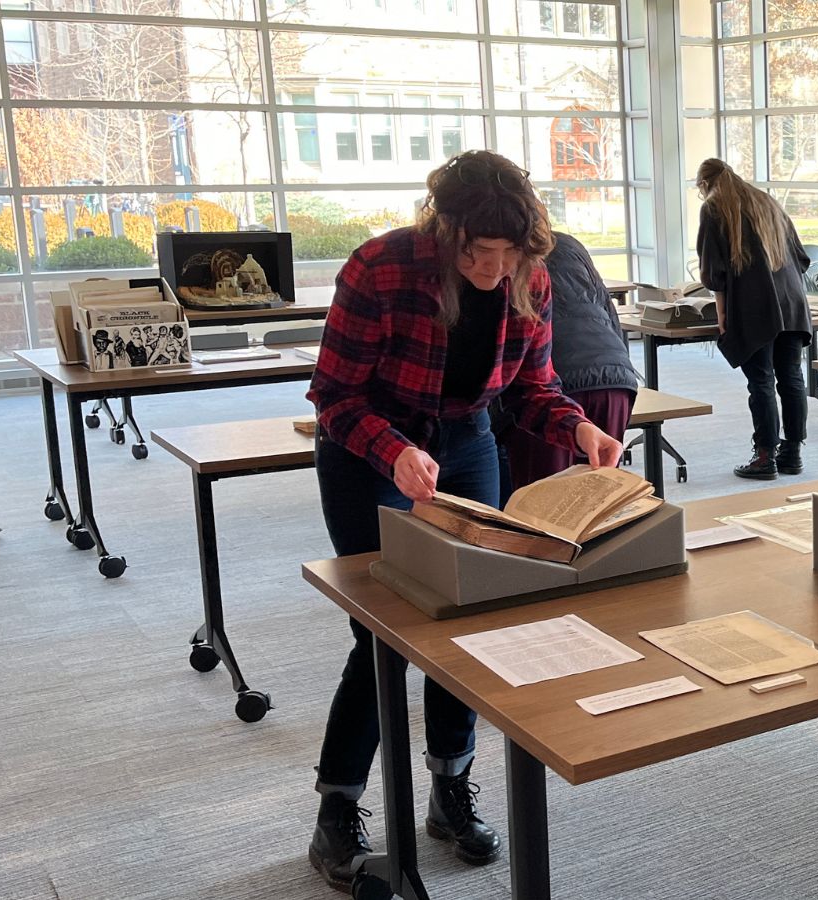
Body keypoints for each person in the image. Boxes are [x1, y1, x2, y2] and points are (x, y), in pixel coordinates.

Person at [304, 150, 623, 893]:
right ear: (444, 231)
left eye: (509, 255)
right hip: (368, 449)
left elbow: (535, 387)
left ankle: (450, 788)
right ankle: (338, 810)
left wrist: (578, 430)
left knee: (467, 618)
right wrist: (395, 451)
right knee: (384, 631)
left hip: (467, 439)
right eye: (479, 254)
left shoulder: (530, 278)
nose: (493, 269)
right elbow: (333, 396)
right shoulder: (379, 268)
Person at [494, 231, 638, 499]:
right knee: (597, 500)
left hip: (550, 383)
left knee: (543, 509)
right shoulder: (570, 244)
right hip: (613, 375)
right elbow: (608, 310)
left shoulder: (505, 257)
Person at [695, 158, 814, 481]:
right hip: (791, 302)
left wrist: (722, 313)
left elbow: (713, 272)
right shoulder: (767, 202)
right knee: (791, 376)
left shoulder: (714, 208)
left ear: (704, 184)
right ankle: (792, 452)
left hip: (753, 304)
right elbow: (802, 258)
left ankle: (764, 457)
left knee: (760, 379)